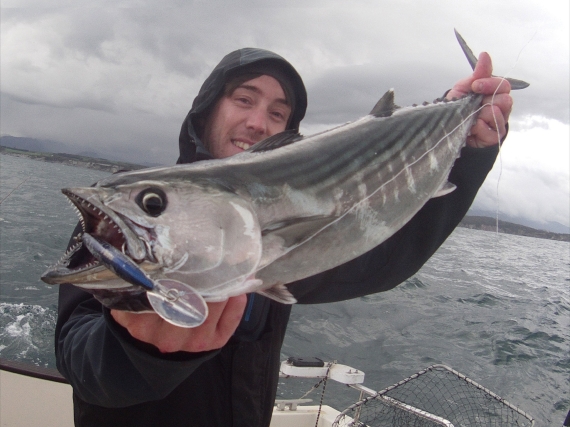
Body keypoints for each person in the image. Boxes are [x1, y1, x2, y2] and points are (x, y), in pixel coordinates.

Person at [55, 47, 512, 427]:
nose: (259, 122)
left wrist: (463, 142)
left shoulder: (287, 242)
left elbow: (385, 255)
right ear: (206, 108)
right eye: (244, 99)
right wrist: (139, 353)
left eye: (278, 112)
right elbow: (79, 358)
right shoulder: (126, 224)